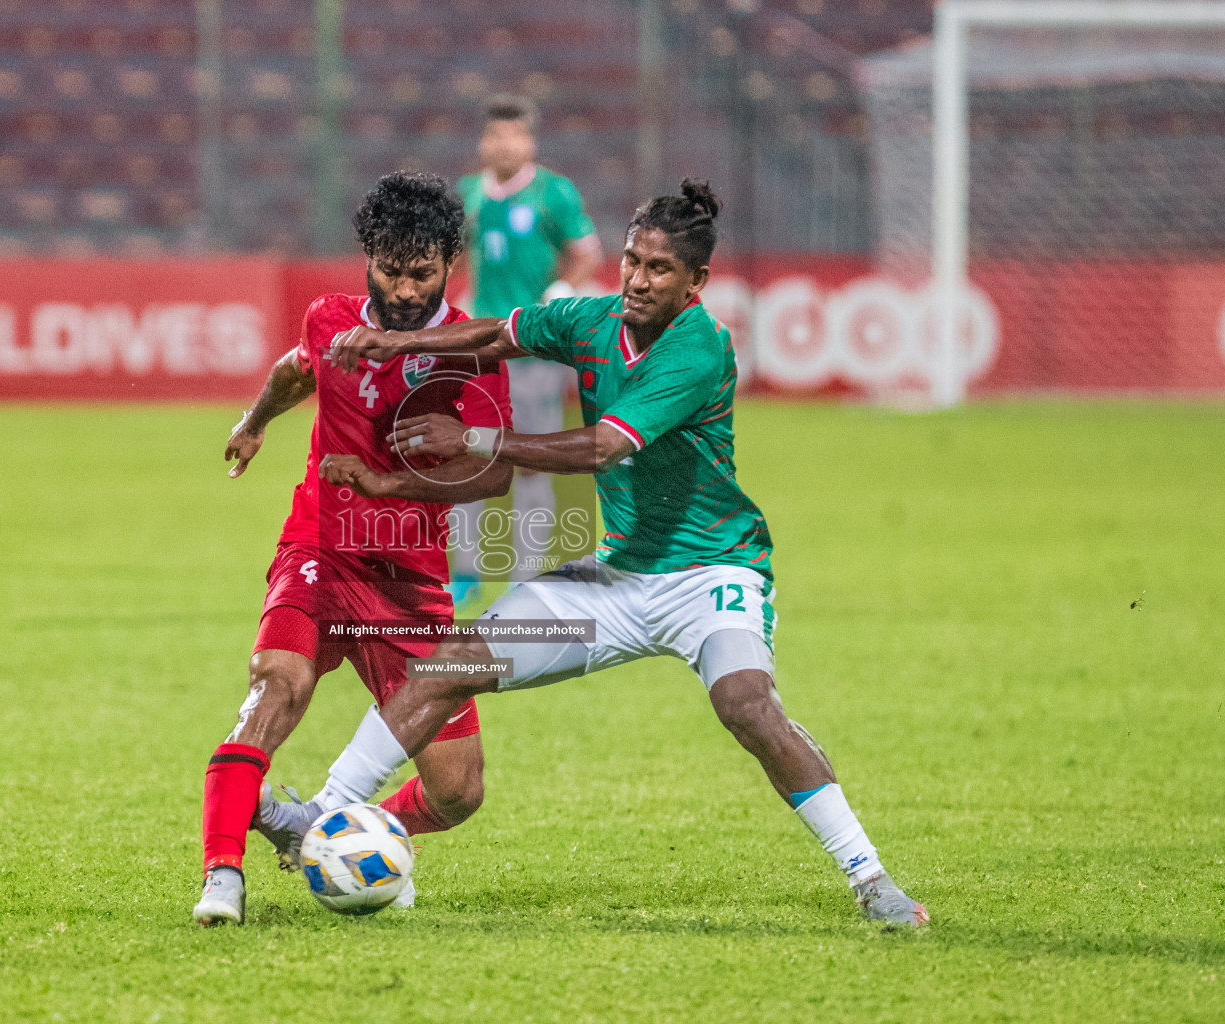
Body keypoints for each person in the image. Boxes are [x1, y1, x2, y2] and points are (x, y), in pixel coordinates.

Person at [289, 180, 929, 926]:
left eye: (660, 269)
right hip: (614, 581)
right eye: (631, 261)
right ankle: (323, 810)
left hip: (710, 574)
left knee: (746, 706)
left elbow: (599, 448)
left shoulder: (699, 348)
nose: (637, 279)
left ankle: (871, 880)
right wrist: (402, 341)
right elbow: (498, 334)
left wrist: (474, 439)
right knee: (449, 667)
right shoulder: (594, 320)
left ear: (696, 283)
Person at [193, 172, 514, 926]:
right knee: (275, 689)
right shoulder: (329, 321)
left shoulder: (469, 349)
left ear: (448, 266)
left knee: (458, 791)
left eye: (422, 272)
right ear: (367, 256)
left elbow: (496, 475)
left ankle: (317, 828)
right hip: (322, 546)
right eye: (390, 269)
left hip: (409, 575)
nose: (404, 287)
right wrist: (255, 420)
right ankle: (222, 876)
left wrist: (426, 459)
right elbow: (295, 369)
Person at [448, 95, 601, 607]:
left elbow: (585, 253)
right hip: (480, 346)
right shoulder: (468, 193)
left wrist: (560, 292)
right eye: (495, 135)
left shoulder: (552, 193)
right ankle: (465, 572)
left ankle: (525, 576)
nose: (503, 144)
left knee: (532, 458)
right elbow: (453, 258)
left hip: (532, 347)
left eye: (513, 135)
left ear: (529, 141)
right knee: (468, 452)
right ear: (483, 142)